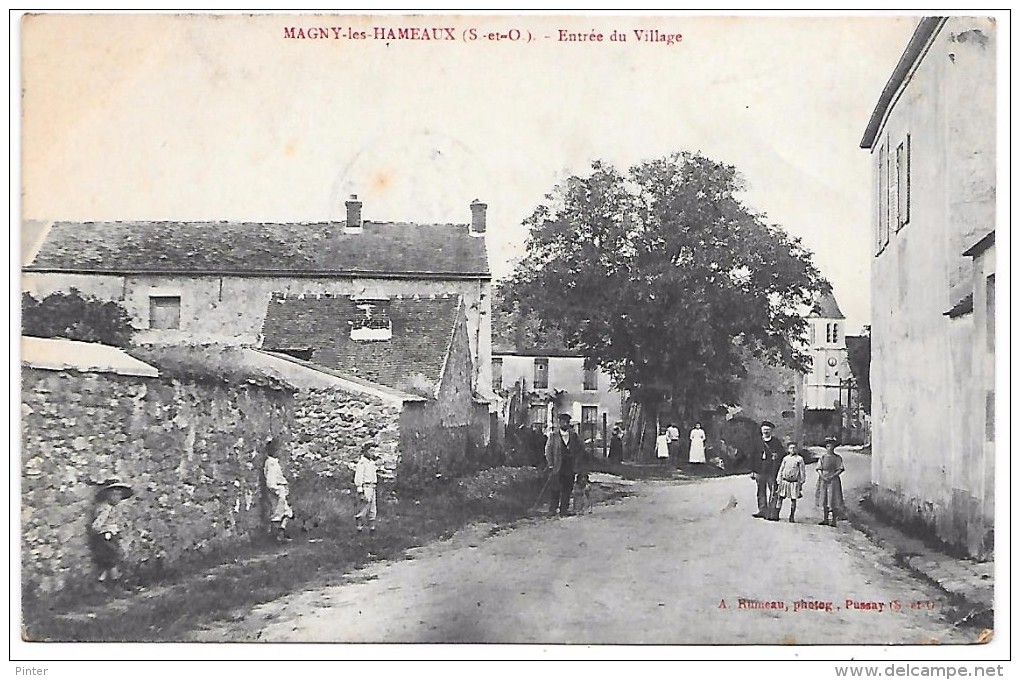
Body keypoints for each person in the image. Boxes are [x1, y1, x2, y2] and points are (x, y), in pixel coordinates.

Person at [89, 479, 134, 584]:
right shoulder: (105, 509)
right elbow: (97, 525)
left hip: (111, 535)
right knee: (113, 558)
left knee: (108, 561)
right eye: (114, 495)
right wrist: (104, 533)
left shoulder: (111, 508)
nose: (117, 498)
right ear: (108, 495)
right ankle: (116, 582)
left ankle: (102, 582)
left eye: (119, 495)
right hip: (106, 536)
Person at [545, 413, 586, 516]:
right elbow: (548, 450)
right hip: (557, 467)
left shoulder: (574, 435)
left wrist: (577, 460)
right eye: (562, 422)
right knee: (555, 489)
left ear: (568, 423)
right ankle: (552, 509)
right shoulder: (554, 435)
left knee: (567, 489)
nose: (564, 424)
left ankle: (564, 510)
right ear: (559, 423)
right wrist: (550, 464)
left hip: (570, 467)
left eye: (566, 422)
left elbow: (581, 449)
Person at [747, 420, 785, 519]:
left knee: (773, 490)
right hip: (759, 469)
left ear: (771, 431)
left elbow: (782, 454)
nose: (766, 431)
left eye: (768, 430)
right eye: (764, 429)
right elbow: (751, 456)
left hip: (772, 470)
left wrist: (777, 456)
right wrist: (752, 470)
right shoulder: (757, 441)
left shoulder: (776, 442)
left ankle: (772, 512)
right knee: (760, 490)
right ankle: (762, 510)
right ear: (761, 430)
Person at [263, 439, 294, 542]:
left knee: (287, 512)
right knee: (278, 513)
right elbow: (271, 481)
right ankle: (276, 537)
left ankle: (281, 533)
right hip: (276, 491)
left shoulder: (274, 462)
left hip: (280, 490)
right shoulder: (271, 463)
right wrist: (277, 491)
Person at [815, 436, 846, 527]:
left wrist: (833, 476)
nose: (830, 448)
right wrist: (822, 476)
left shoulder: (837, 458)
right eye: (828, 446)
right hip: (823, 479)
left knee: (833, 498)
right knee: (824, 498)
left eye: (832, 446)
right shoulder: (823, 457)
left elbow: (840, 468)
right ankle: (825, 519)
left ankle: (834, 520)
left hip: (833, 480)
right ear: (826, 447)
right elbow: (819, 468)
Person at [773, 442, 806, 522]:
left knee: (793, 499)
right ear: (788, 449)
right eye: (791, 448)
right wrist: (779, 479)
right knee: (780, 498)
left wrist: (801, 481)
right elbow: (781, 469)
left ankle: (792, 515)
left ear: (797, 449)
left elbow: (802, 471)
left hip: (794, 482)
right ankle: (776, 514)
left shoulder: (799, 459)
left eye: (794, 448)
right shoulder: (785, 458)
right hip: (785, 481)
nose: (793, 449)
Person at [354, 442, 380, 532]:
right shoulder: (362, 463)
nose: (372, 453)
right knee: (363, 508)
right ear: (365, 451)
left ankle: (372, 529)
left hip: (372, 487)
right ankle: (359, 529)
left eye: (374, 451)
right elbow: (359, 477)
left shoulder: (372, 463)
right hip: (366, 487)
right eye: (371, 451)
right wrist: (360, 491)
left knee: (372, 509)